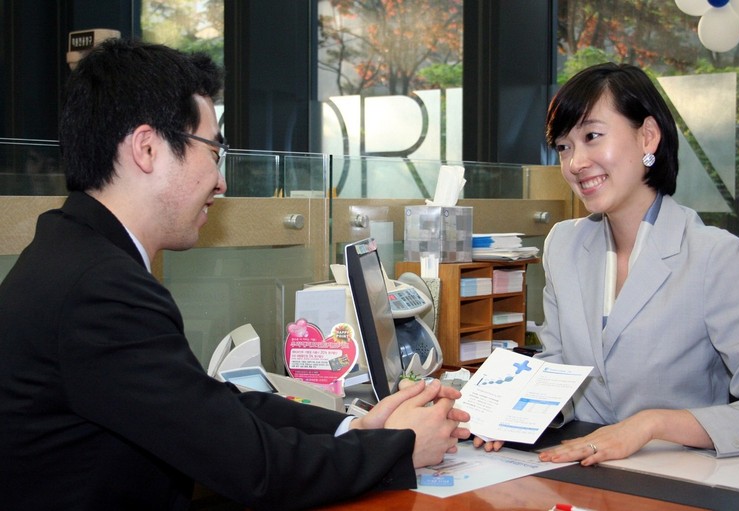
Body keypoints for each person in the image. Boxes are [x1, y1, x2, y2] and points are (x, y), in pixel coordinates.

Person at [0, 38, 469, 510]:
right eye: (213, 152)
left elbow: (211, 407)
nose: (221, 182)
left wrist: (355, 427)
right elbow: (251, 466)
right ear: (146, 148)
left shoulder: (75, 255)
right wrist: (401, 449)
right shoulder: (98, 289)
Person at [475, 62, 739, 464]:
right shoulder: (564, 243)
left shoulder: (714, 255)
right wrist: (502, 415)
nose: (575, 163)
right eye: (564, 146)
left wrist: (651, 424)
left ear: (647, 137)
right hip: (580, 472)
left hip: (680, 477)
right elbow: (556, 368)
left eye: (592, 136)